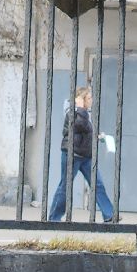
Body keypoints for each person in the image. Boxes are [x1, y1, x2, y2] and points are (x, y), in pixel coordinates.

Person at [48, 87, 117, 223]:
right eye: (89, 98)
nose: (92, 100)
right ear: (82, 99)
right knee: (65, 186)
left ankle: (109, 215)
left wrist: (97, 136)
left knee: (98, 184)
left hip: (86, 156)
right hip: (72, 155)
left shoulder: (86, 112)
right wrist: (80, 108)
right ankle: (54, 218)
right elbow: (78, 125)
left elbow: (85, 129)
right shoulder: (71, 110)